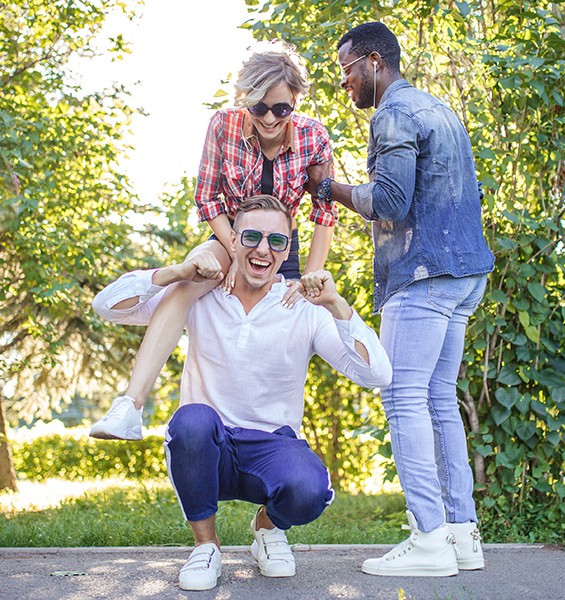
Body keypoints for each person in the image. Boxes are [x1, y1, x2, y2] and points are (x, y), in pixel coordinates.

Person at [92, 195, 392, 591]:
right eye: (251, 236)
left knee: (309, 489)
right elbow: (107, 306)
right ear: (231, 241)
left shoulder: (302, 307)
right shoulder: (199, 294)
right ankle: (206, 546)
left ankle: (267, 527)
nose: (263, 249)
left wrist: (336, 304)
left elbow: (378, 375)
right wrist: (174, 272)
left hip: (271, 445)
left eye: (276, 241)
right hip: (209, 444)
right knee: (191, 421)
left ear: (287, 249)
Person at [304, 22, 495, 577]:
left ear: (371, 61)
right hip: (464, 276)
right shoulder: (440, 109)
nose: (344, 83)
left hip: (422, 274)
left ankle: (429, 540)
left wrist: (328, 187)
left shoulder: (392, 113)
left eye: (346, 70)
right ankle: (461, 534)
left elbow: (389, 199)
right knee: (439, 400)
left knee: (402, 396)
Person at [90, 42, 337, 441]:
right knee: (189, 279)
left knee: (300, 318)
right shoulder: (223, 125)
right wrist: (237, 253)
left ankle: (278, 447)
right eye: (258, 108)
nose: (270, 118)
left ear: (295, 100)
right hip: (229, 236)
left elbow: (324, 213)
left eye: (281, 109)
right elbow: (207, 198)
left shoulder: (314, 137)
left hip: (279, 247)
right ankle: (130, 407)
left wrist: (311, 276)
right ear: (245, 101)